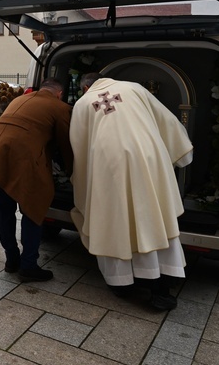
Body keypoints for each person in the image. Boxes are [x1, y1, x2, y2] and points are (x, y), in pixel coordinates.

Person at [70, 72, 193, 310]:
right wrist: (182, 154)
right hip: (147, 161)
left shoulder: (83, 103)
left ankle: (122, 283)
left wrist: (82, 179)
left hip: (108, 169)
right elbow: (165, 119)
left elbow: (80, 146)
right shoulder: (134, 86)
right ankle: (161, 289)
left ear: (86, 88)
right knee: (153, 220)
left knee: (115, 224)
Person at [0, 77, 73, 282]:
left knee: (4, 210)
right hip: (21, 157)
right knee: (33, 209)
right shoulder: (60, 107)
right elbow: (66, 143)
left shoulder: (19, 99)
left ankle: (11, 260)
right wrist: (72, 170)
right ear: (59, 93)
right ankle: (29, 266)